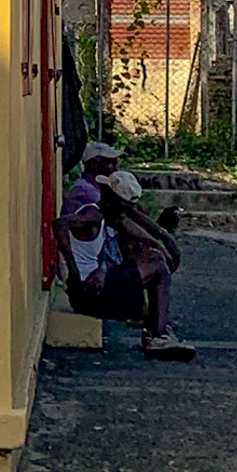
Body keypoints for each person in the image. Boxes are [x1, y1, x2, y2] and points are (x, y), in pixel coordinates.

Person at [74, 144, 195, 362]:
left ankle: (156, 325)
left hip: (96, 278)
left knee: (152, 257)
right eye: (108, 161)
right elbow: (61, 225)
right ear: (93, 164)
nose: (113, 166)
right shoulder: (89, 200)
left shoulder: (105, 206)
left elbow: (128, 217)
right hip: (89, 288)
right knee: (155, 265)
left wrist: (161, 241)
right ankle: (157, 332)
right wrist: (77, 272)